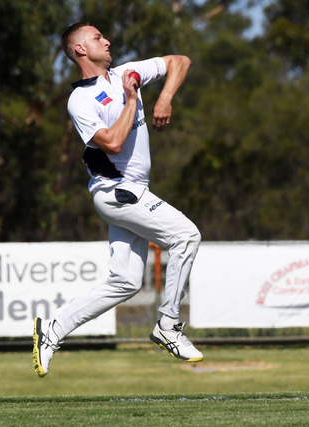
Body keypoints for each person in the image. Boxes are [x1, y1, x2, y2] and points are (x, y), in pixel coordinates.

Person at [33, 22, 202, 378]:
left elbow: (180, 61)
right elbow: (111, 142)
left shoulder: (127, 73)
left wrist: (165, 97)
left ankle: (54, 328)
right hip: (117, 192)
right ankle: (168, 325)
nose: (107, 41)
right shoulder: (80, 100)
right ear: (80, 50)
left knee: (125, 281)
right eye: (97, 38)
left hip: (134, 190)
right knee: (186, 236)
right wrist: (132, 99)